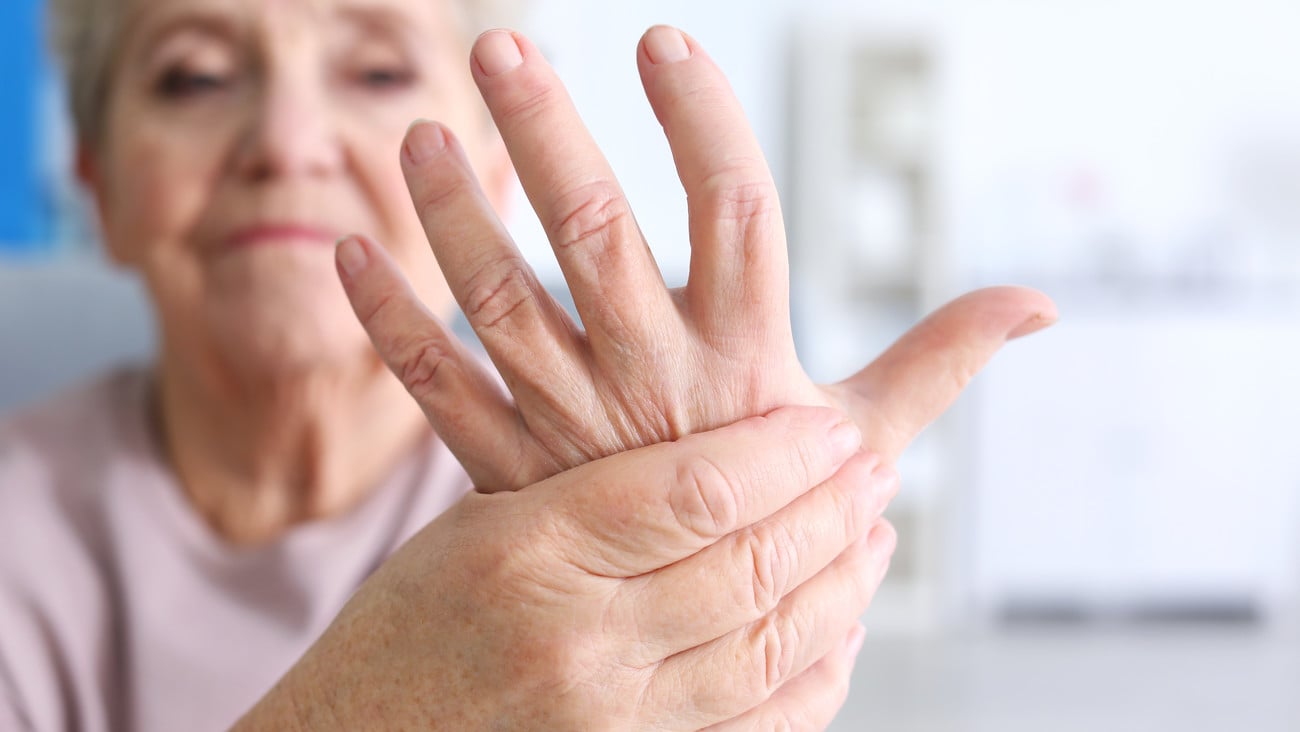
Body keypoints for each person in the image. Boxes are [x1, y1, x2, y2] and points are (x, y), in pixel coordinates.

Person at [0, 0, 1056, 729]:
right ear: (98, 186)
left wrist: (708, 572)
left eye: (374, 69)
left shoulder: (608, 497)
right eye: (194, 77)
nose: (286, 139)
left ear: (493, 174)